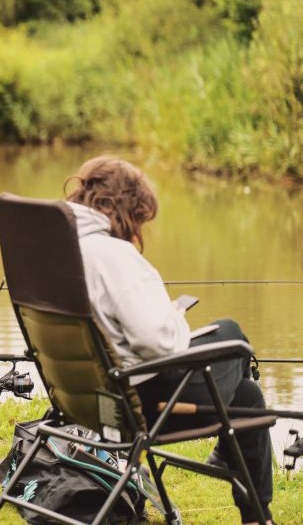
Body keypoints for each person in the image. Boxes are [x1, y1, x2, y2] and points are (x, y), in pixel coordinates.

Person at [65, 156, 273, 525]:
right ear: (128, 209)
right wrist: (176, 320)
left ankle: (257, 517)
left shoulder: (61, 247)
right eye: (141, 220)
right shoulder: (113, 255)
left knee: (247, 398)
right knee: (231, 332)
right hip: (145, 401)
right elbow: (158, 342)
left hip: (89, 397)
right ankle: (228, 458)